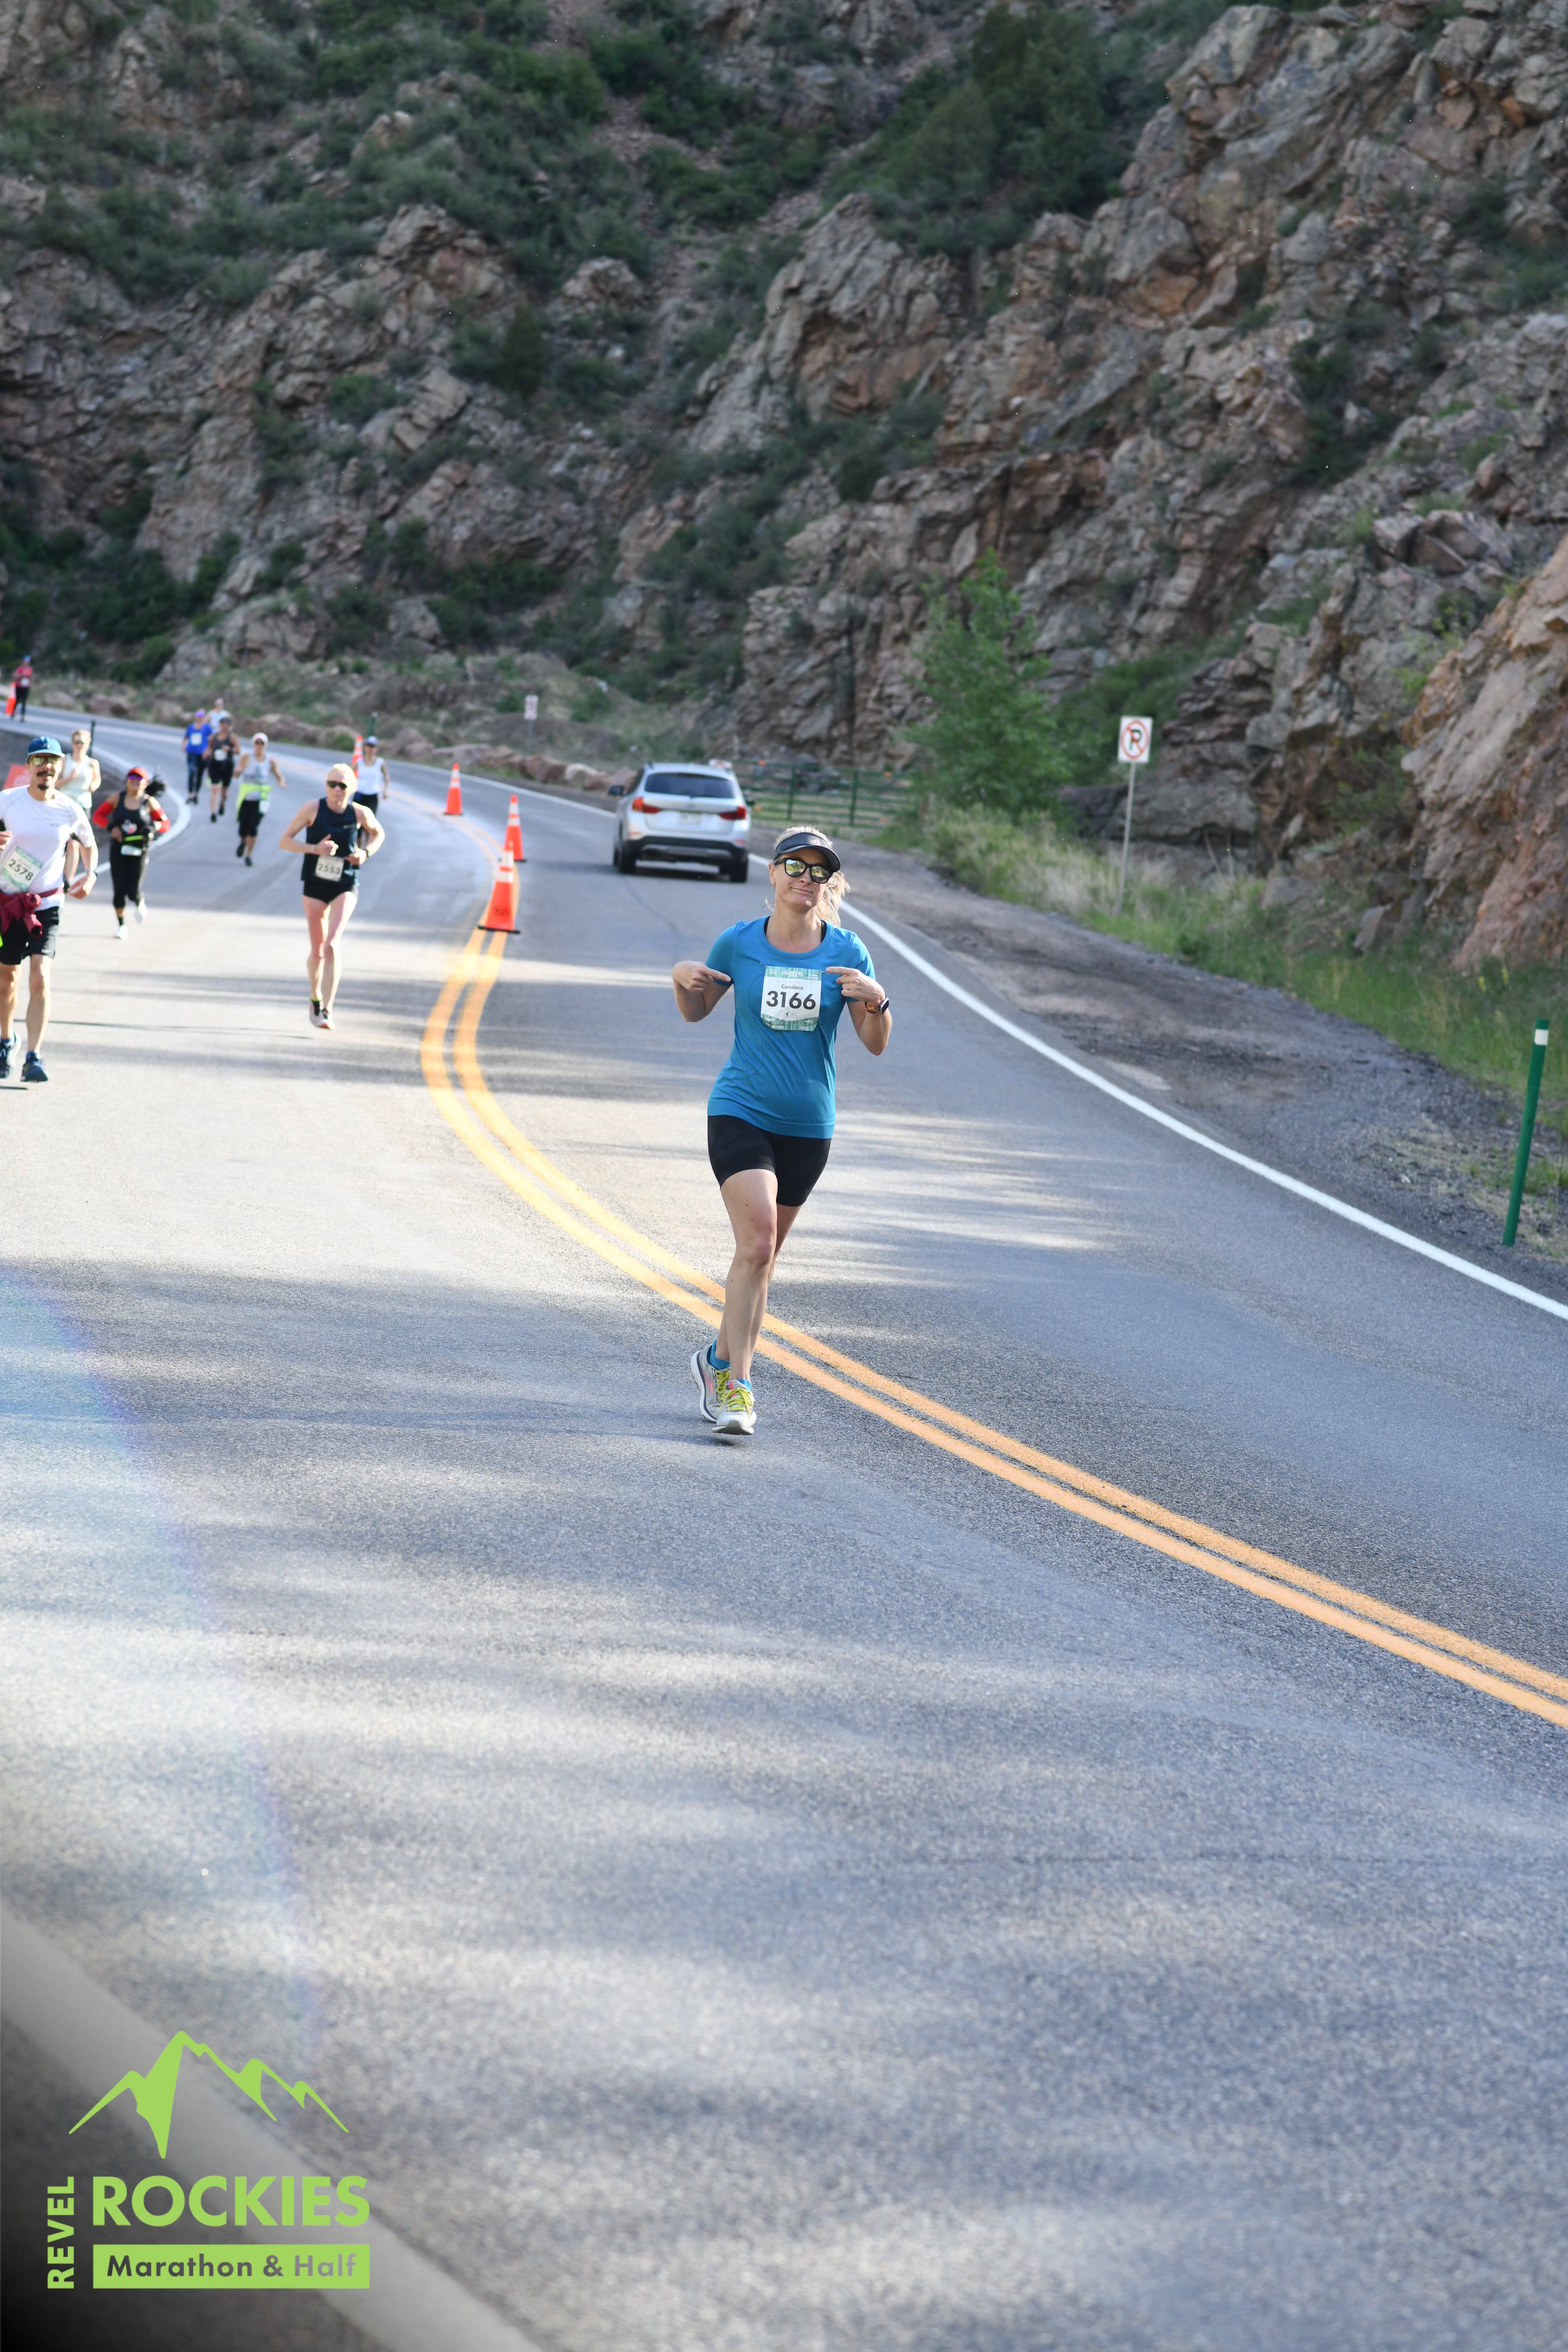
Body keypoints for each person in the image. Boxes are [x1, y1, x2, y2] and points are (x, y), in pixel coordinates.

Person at [671, 827, 891, 1436]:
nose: (805, 879)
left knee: (761, 1260)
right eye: (795, 866)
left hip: (809, 1126)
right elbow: (697, 1011)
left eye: (819, 871)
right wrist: (681, 979)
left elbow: (875, 1044)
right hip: (740, 1109)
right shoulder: (739, 943)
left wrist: (878, 1001)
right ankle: (737, 1389)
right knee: (759, 1242)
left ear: (828, 883)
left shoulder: (847, 951)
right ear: (772, 873)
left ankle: (716, 1361)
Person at [0, 736, 97, 1083]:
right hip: (8, 903)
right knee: (8, 979)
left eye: (52, 761)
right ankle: (6, 1040)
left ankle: (34, 1056)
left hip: (47, 903)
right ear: (29, 766)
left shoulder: (70, 809)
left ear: (60, 767)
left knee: (41, 976)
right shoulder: (7, 802)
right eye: (39, 760)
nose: (46, 767)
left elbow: (89, 844)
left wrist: (91, 874)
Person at [278, 762, 384, 1030]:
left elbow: (378, 833)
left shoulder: (359, 813)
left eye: (342, 785)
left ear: (352, 789)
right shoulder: (312, 809)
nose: (337, 789)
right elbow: (285, 841)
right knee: (318, 951)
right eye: (332, 784)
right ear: (326, 786)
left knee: (332, 945)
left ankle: (327, 1009)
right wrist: (315, 849)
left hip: (345, 882)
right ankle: (315, 997)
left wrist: (365, 853)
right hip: (315, 883)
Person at [94, 765, 169, 937]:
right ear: (127, 781)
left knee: (133, 891)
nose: (135, 782)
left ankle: (139, 901)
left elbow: (165, 823)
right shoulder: (116, 798)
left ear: (146, 783)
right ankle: (121, 925)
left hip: (139, 850)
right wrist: (111, 827)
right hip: (119, 849)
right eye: (132, 778)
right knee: (119, 890)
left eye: (139, 779)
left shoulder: (149, 802)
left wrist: (154, 826)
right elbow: (98, 816)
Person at [232, 731, 284, 865]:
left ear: (266, 745)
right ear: (253, 744)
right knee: (243, 827)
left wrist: (281, 782)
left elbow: (278, 775)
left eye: (262, 743)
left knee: (253, 826)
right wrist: (238, 772)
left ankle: (249, 855)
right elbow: (237, 772)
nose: (259, 745)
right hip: (247, 797)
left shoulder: (270, 760)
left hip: (262, 798)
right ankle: (243, 842)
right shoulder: (247, 757)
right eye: (257, 743)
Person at [57, 728, 101, 818]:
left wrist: (93, 786)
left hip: (83, 804)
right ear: (73, 744)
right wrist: (70, 777)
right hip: (65, 804)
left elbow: (97, 780)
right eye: (77, 742)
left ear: (88, 744)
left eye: (83, 743)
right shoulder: (64, 760)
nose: (80, 745)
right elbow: (55, 783)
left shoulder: (93, 763)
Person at [206, 714, 238, 816]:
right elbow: (209, 748)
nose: (223, 726)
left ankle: (222, 803)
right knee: (215, 788)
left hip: (227, 765)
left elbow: (238, 751)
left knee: (224, 790)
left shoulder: (232, 738)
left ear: (229, 726)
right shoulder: (214, 737)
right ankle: (213, 812)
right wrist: (207, 754)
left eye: (225, 724)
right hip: (215, 764)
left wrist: (230, 749)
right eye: (222, 724)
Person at [354, 734, 390, 816]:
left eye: (373, 747)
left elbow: (387, 776)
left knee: (370, 820)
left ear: (376, 749)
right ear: (365, 747)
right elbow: (349, 774)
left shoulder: (380, 762)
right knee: (355, 819)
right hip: (360, 794)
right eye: (369, 746)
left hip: (372, 795)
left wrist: (386, 790)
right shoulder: (359, 762)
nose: (370, 749)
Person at [185, 709, 211, 806]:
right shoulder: (191, 727)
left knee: (200, 774)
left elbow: (212, 739)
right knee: (192, 772)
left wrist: (208, 750)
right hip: (192, 753)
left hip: (202, 754)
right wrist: (184, 745)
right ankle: (190, 794)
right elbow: (186, 737)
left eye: (201, 716)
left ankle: (196, 794)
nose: (199, 718)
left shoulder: (207, 728)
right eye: (198, 716)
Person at [10, 654, 32, 720]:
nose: (26, 662)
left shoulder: (30, 669)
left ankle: (23, 715)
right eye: (26, 661)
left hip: (26, 687)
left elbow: (30, 676)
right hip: (19, 686)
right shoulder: (20, 668)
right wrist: (22, 676)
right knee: (17, 700)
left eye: (28, 661)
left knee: (24, 701)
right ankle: (13, 712)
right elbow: (15, 676)